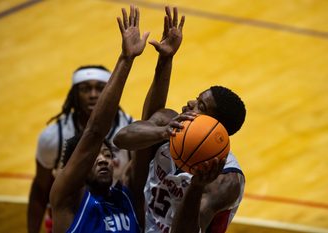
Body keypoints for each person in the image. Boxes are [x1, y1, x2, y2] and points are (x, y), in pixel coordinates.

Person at [113, 6, 246, 233]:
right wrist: (162, 133)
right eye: (196, 99)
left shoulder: (226, 180)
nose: (189, 104)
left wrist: (196, 187)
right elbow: (122, 139)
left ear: (215, 128)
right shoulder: (169, 123)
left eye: (200, 106)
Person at [49, 5, 149, 232]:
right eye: (95, 156)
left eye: (107, 154)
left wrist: (164, 62)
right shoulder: (68, 199)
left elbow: (146, 138)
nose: (104, 159)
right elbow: (94, 132)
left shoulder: (127, 196)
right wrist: (126, 59)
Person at [27, 49, 134, 233]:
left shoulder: (129, 129)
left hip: (115, 214)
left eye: (100, 88)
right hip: (71, 214)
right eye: (85, 89)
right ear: (75, 94)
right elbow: (40, 190)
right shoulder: (54, 137)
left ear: (110, 91)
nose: (93, 94)